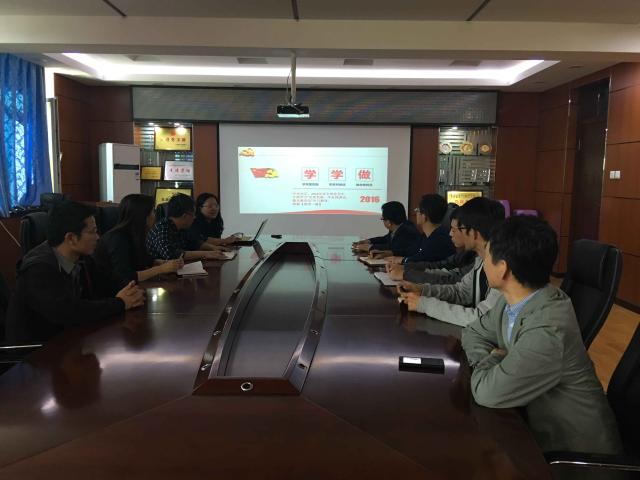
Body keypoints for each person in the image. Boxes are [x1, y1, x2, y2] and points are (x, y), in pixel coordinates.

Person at [461, 216, 622, 454]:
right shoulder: (511, 303)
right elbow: (472, 331)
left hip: (574, 456)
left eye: (487, 255)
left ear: (502, 268)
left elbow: (487, 392)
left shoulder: (548, 329)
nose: (483, 262)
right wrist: (489, 363)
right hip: (533, 431)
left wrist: (494, 359)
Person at [6, 201, 145, 343]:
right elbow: (70, 312)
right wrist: (120, 303)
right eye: (92, 232)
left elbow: (108, 283)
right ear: (71, 238)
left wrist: (132, 292)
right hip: (37, 350)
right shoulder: (39, 269)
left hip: (70, 340)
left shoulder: (82, 258)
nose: (98, 237)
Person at [399, 197, 504, 327]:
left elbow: (481, 319)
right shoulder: (480, 260)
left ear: (473, 233)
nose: (450, 234)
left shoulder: (502, 265)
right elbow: (462, 292)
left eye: (457, 229)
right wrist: (422, 290)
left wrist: (424, 304)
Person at [94, 194, 184, 288]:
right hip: (113, 291)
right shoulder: (117, 239)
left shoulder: (135, 235)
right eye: (152, 212)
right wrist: (160, 269)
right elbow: (126, 277)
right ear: (143, 216)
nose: (155, 216)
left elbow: (143, 260)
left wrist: (160, 262)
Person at [387, 207, 476, 284]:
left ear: (472, 232)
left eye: (453, 229)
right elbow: (439, 265)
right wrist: (405, 267)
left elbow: (454, 281)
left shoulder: (440, 239)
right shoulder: (466, 253)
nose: (450, 234)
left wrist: (406, 273)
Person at [146, 193, 228, 261]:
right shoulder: (162, 228)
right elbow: (172, 255)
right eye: (193, 215)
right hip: (159, 273)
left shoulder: (182, 228)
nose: (194, 218)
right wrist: (206, 254)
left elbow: (195, 242)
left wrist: (214, 248)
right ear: (185, 216)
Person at [384, 194, 455, 264]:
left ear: (424, 216)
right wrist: (392, 253)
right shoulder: (425, 236)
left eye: (417, 210)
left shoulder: (440, 240)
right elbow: (411, 251)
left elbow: (421, 259)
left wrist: (402, 260)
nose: (416, 213)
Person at [352, 201, 420, 257]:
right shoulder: (399, 227)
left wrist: (370, 247)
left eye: (382, 219)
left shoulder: (408, 231)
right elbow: (385, 239)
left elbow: (393, 247)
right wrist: (368, 241)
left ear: (388, 222)